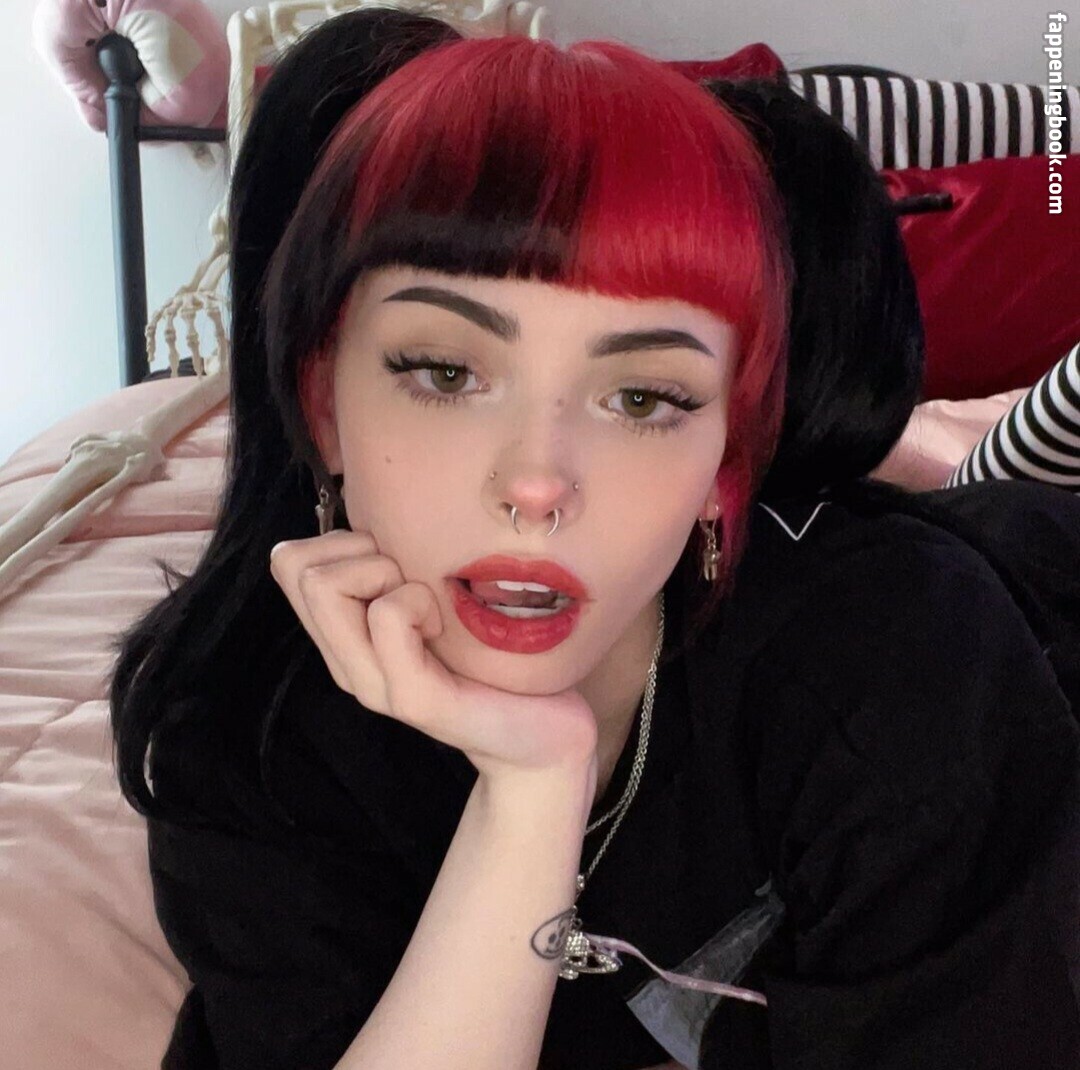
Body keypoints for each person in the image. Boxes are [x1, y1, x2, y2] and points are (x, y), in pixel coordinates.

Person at [108, 9, 1080, 1070]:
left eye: (643, 396)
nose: (537, 484)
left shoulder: (899, 667)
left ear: (726, 456)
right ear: (321, 404)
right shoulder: (236, 730)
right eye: (446, 372)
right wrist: (533, 786)